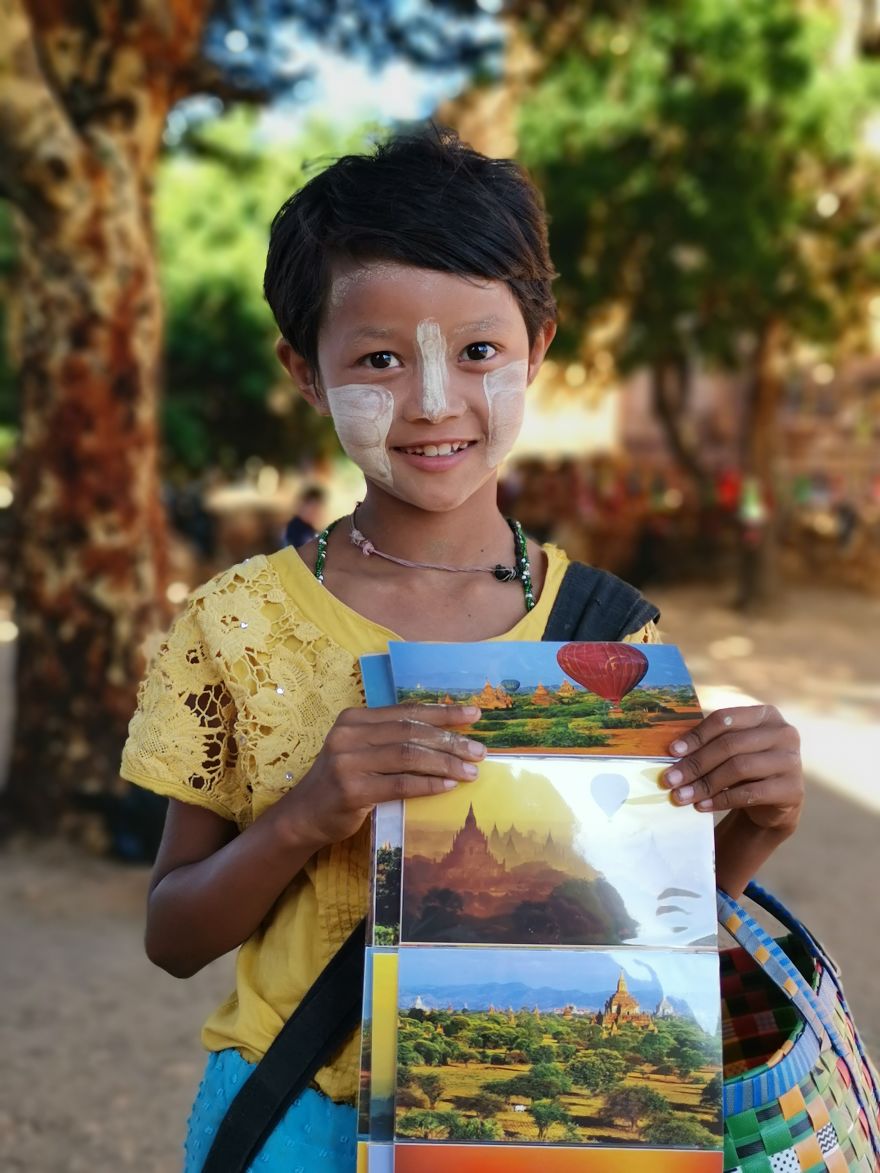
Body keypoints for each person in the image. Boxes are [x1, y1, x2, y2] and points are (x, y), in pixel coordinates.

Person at [120, 129, 805, 1171]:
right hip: (293, 1118)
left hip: (530, 1133)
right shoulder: (239, 625)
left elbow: (645, 926)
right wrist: (308, 813)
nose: (433, 402)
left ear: (538, 344)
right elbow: (173, 938)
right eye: (380, 360)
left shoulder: (611, 634)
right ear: (304, 371)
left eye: (477, 351)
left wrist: (755, 826)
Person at [282, 483, 327, 549]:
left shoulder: (309, 529)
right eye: (313, 507)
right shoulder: (295, 528)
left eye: (318, 508)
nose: (316, 513)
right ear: (302, 505)